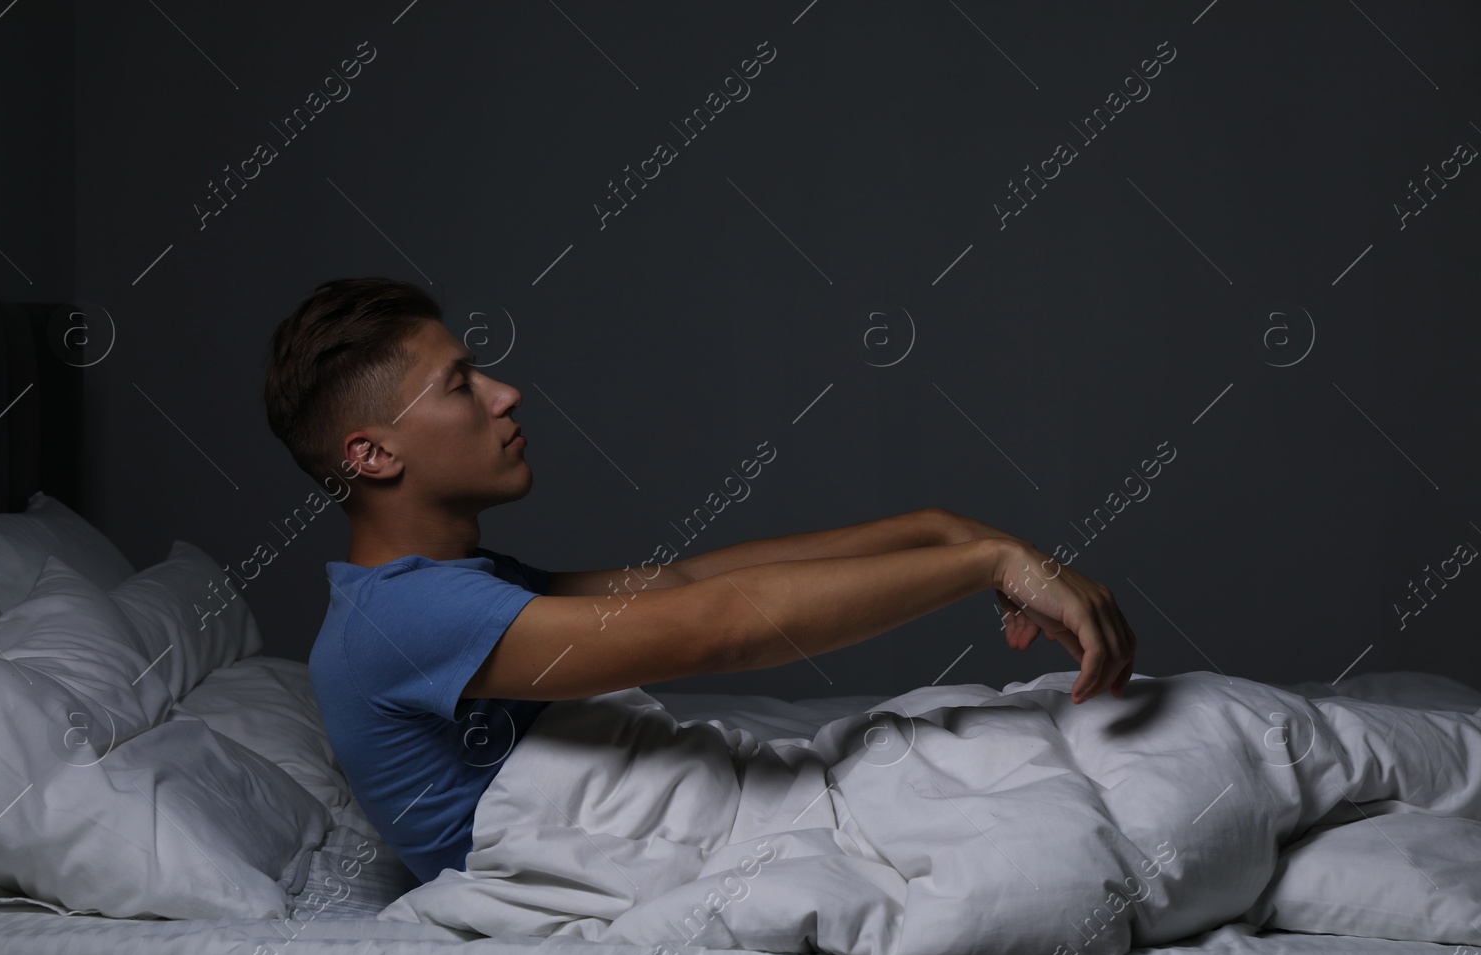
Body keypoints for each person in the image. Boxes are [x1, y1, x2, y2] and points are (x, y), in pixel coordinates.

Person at [263, 276, 1136, 884]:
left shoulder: (440, 586)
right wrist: (986, 563)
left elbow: (683, 579)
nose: (505, 394)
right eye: (461, 385)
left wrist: (942, 528)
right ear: (372, 454)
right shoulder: (404, 616)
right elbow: (720, 625)